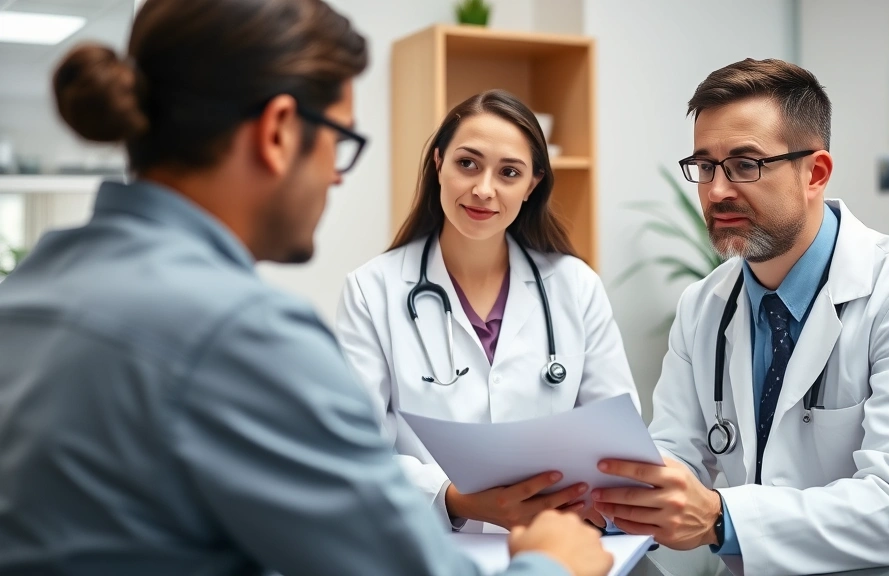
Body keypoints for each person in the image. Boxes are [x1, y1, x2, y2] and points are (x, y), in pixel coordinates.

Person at [0, 1, 613, 575]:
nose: (335, 179)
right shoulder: (243, 335)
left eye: (509, 172)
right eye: (339, 142)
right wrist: (555, 563)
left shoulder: (28, 294)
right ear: (278, 132)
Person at [589, 58, 889, 576]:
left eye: (745, 164)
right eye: (705, 166)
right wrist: (616, 502)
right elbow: (676, 450)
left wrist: (719, 517)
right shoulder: (704, 305)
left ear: (814, 172)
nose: (716, 191)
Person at [335, 89, 640, 534]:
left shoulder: (575, 287)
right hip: (429, 548)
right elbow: (353, 451)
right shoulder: (371, 290)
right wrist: (455, 500)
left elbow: (618, 445)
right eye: (468, 163)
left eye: (509, 172)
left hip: (554, 545)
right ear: (438, 163)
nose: (483, 189)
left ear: (532, 184)